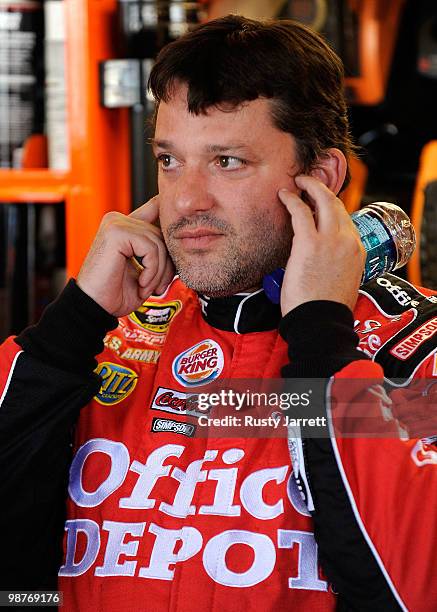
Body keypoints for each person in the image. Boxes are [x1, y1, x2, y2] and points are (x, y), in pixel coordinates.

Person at [0, 14, 436, 611]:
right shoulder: (104, 338)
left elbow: (408, 584)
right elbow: (14, 581)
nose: (185, 201)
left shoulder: (417, 348)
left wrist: (320, 345)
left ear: (322, 178)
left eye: (227, 161)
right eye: (170, 160)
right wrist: (70, 327)